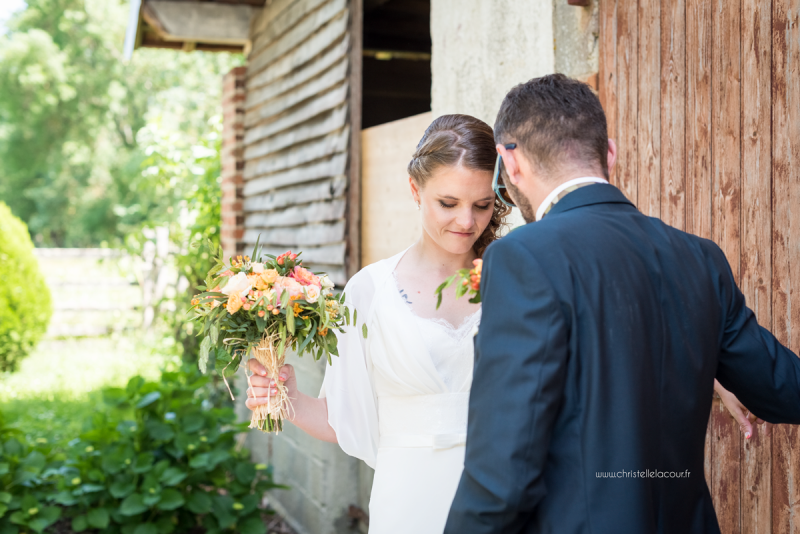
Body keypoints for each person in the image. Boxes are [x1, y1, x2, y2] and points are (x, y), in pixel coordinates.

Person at [444, 73, 800, 534]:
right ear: (608, 153)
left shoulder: (523, 256)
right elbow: (782, 387)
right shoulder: (700, 258)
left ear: (510, 163)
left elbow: (503, 468)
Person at [244, 114, 511, 533]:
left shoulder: (515, 281)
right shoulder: (369, 291)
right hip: (408, 499)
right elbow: (340, 419)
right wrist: (287, 396)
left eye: (482, 205)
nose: (466, 221)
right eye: (448, 203)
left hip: (502, 491)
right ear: (414, 189)